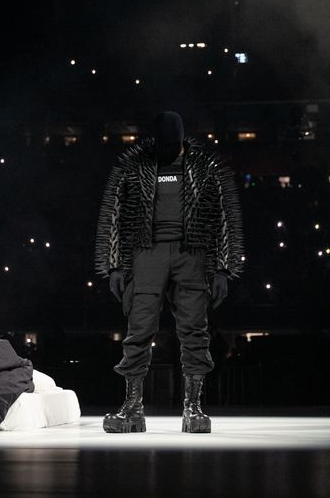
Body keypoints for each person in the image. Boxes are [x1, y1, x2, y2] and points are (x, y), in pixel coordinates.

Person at [94, 111, 245, 433]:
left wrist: (223, 269)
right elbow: (114, 216)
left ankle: (193, 409)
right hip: (146, 253)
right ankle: (132, 408)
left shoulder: (204, 168)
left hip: (192, 254)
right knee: (138, 331)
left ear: (181, 138)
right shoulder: (134, 167)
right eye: (163, 142)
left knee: (195, 331)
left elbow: (224, 218)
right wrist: (115, 265)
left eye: (172, 142)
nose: (167, 148)